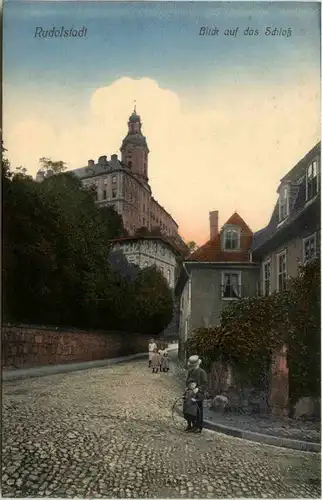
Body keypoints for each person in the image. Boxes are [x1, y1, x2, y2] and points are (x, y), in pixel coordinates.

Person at [185, 355, 208, 433]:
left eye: (193, 365)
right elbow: (187, 381)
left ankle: (198, 426)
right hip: (190, 393)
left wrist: (198, 388)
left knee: (198, 410)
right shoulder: (190, 371)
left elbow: (205, 384)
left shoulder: (202, 372)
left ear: (198, 364)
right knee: (188, 409)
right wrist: (189, 385)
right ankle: (190, 425)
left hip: (199, 394)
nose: (192, 367)